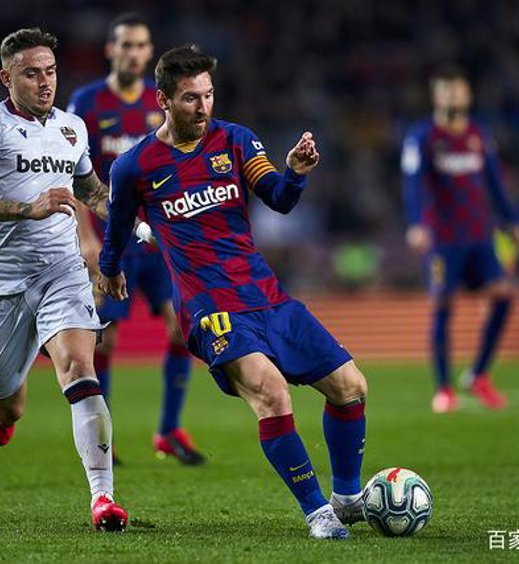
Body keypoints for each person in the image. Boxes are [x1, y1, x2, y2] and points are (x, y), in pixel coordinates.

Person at [98, 44, 368, 541]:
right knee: (272, 392)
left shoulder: (236, 141)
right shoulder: (134, 167)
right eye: (190, 98)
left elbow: (279, 200)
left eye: (208, 95)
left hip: (267, 295)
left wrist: (295, 172)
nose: (202, 107)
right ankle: (317, 512)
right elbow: (115, 231)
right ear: (163, 99)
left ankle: (347, 498)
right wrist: (110, 270)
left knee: (351, 387)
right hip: (209, 309)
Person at [0, 27, 127, 530]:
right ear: (7, 78)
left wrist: (137, 222)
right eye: (32, 74)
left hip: (61, 270)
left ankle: (103, 499)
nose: (45, 82)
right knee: (9, 407)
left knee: (78, 366)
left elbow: (91, 190)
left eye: (50, 71)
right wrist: (26, 209)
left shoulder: (72, 128)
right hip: (4, 280)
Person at [67, 14, 204, 465]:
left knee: (181, 327)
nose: (134, 52)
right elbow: (73, 174)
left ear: (149, 52)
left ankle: (169, 430)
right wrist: (85, 237)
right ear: (111, 50)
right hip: (112, 239)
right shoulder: (86, 102)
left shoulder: (158, 100)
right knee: (106, 339)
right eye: (126, 44)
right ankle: (104, 440)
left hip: (158, 237)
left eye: (141, 45)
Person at [401, 65, 519, 413]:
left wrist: (512, 220)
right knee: (443, 303)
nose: (452, 95)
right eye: (446, 90)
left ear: (467, 94)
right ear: (436, 96)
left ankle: (479, 374)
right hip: (443, 237)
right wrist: (416, 223)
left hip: (479, 233)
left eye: (457, 89)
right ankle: (444, 388)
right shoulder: (422, 136)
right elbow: (412, 182)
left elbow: (495, 182)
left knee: (503, 295)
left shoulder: (479, 134)